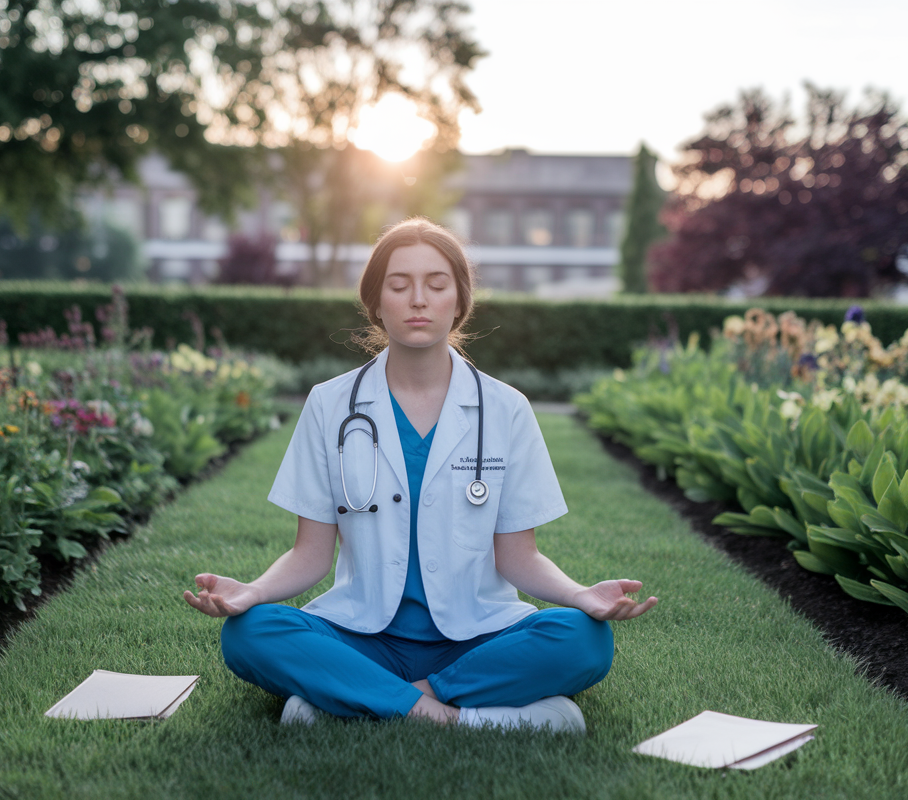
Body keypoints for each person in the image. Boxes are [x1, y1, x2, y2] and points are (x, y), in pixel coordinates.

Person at [183, 218, 658, 731]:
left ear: (459, 301)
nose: (418, 300)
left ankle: (352, 698)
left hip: (477, 637)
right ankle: (460, 715)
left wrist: (580, 596)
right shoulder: (330, 404)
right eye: (399, 284)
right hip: (364, 634)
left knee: (584, 639)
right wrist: (252, 592)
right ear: (376, 302)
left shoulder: (506, 409)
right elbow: (310, 555)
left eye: (436, 284)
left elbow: (519, 557)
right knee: (248, 633)